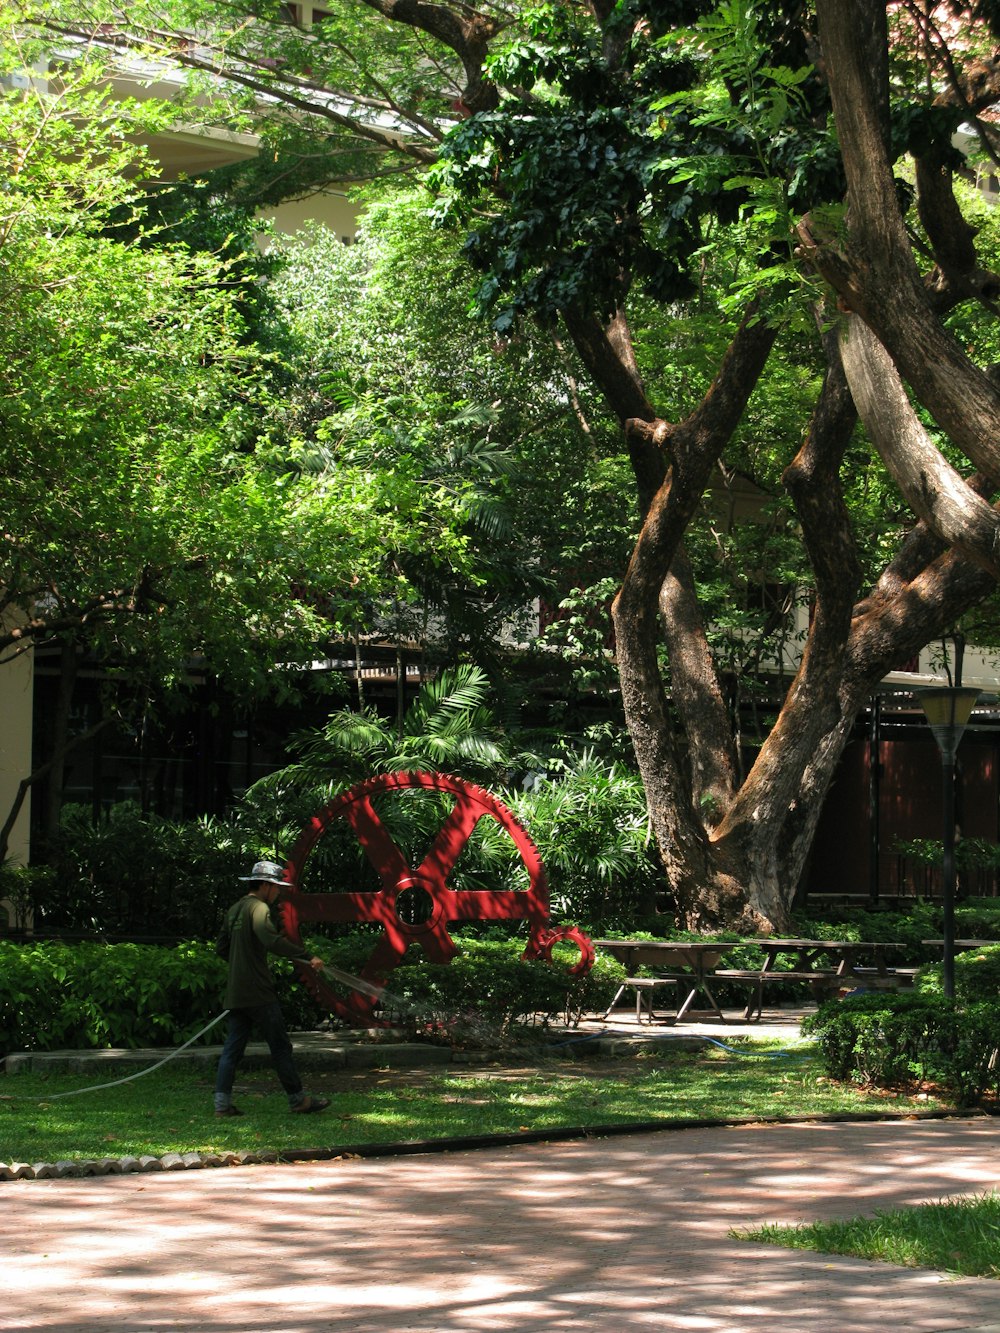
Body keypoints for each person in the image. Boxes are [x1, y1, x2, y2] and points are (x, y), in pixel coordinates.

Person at [214, 859, 330, 1118]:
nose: (278, 893)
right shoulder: (259, 909)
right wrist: (306, 955)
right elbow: (271, 940)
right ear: (265, 886)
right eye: (276, 887)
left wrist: (241, 964)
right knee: (280, 1047)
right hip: (259, 992)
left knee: (232, 1050)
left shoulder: (234, 909)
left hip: (236, 992)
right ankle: (298, 1100)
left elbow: (221, 948)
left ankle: (222, 1106)